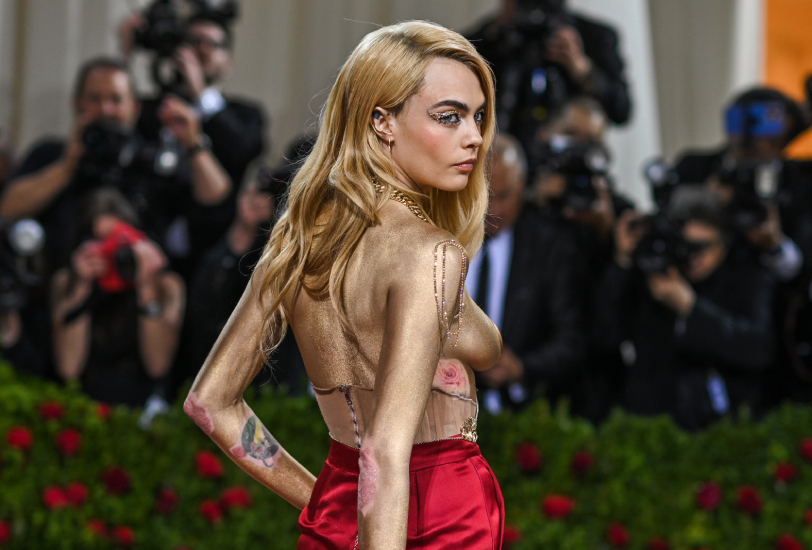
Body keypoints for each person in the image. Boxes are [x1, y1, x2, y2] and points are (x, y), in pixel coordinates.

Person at [184, 21, 504, 549]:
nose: (473, 137)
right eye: (449, 117)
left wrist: (327, 506)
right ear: (382, 121)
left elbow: (208, 404)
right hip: (438, 515)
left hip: (347, 507)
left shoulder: (298, 243)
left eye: (478, 116)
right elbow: (386, 451)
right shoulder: (429, 253)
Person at [0, 56, 231, 277]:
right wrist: (67, 166)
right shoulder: (50, 154)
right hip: (61, 289)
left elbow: (216, 201)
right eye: (94, 99)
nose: (106, 109)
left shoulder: (153, 160)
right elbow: (8, 206)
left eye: (116, 99)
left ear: (135, 106)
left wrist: (194, 144)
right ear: (77, 102)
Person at [593, 187, 775, 430]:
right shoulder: (652, 272)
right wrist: (623, 262)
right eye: (684, 246)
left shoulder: (749, 278)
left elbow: (757, 349)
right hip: (652, 422)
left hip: (724, 425)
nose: (692, 257)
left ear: (724, 242)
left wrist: (690, 308)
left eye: (701, 247)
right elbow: (606, 334)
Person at [469, 133, 585, 414]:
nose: (493, 210)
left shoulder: (551, 246)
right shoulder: (439, 239)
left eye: (504, 196)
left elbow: (572, 339)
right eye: (485, 196)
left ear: (522, 186)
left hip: (526, 412)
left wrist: (521, 368)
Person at [51, 188, 184, 408]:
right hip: (84, 405)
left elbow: (158, 365)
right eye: (103, 243)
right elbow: (68, 368)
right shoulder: (67, 281)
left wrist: (146, 285)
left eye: (119, 243)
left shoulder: (167, 284)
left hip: (141, 408)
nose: (112, 254)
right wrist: (81, 288)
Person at [466, 0, 631, 156]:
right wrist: (492, 37)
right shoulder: (494, 36)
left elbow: (621, 110)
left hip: (569, 159)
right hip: (501, 159)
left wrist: (580, 67)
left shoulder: (594, 36)